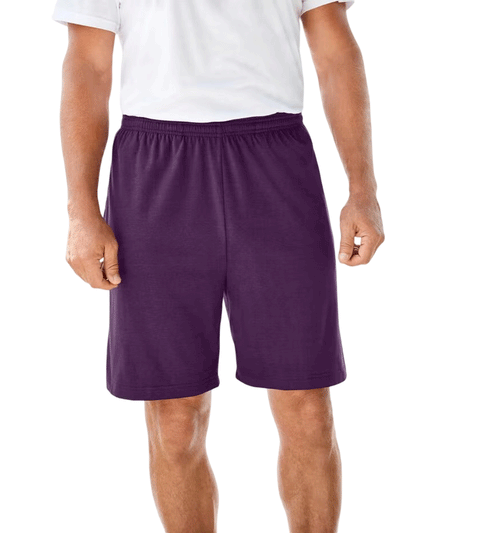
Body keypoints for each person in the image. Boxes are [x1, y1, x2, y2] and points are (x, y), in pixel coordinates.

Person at [52, 0, 384, 530]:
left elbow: (335, 51)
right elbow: (87, 67)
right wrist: (81, 210)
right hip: (155, 166)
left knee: (306, 404)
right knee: (174, 417)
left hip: (275, 160)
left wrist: (363, 189)